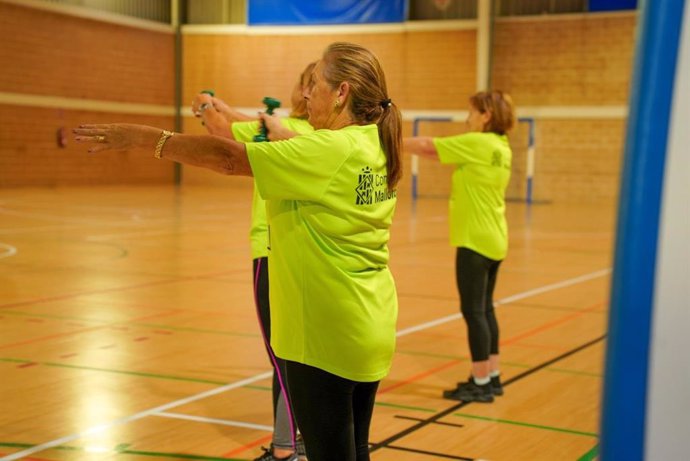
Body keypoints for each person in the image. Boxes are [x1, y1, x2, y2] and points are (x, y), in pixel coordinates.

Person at [74, 42, 402, 461]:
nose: (305, 94)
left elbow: (228, 158)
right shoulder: (374, 144)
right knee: (353, 451)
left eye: (315, 84)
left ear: (342, 92)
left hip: (326, 333)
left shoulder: (330, 150)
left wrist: (145, 139)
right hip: (368, 325)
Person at [190, 62, 316, 461]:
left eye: (302, 83)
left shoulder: (294, 132)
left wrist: (206, 107)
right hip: (302, 253)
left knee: (281, 355)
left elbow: (222, 134)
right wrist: (227, 107)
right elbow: (252, 125)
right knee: (299, 351)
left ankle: (284, 450)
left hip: (271, 249)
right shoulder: (316, 136)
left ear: (309, 91)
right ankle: (301, 441)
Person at [403, 90, 515, 403]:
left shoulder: (479, 142)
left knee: (473, 311)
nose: (467, 119)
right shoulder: (502, 147)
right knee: (486, 309)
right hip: (494, 238)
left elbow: (428, 147)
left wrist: (387, 141)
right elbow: (434, 153)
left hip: (474, 241)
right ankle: (492, 376)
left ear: (486, 115)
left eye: (471, 112)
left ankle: (480, 382)